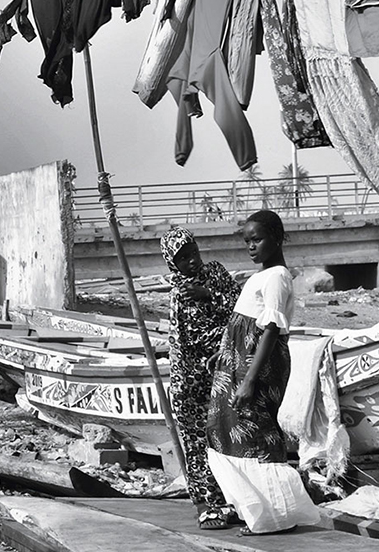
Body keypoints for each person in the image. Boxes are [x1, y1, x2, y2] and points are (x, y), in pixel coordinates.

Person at [206, 210, 319, 535]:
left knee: (255, 434)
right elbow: (246, 325)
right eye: (247, 241)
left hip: (258, 366)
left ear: (277, 238)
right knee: (225, 429)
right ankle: (257, 510)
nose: (251, 247)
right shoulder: (263, 275)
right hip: (240, 362)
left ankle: (276, 517)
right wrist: (225, 353)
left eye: (257, 239)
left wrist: (250, 380)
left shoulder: (278, 276)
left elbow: (270, 329)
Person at [160, 226, 240, 530]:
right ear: (172, 263)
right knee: (197, 444)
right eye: (183, 258)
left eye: (193, 253)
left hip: (222, 372)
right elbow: (191, 338)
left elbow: (242, 308)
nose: (192, 261)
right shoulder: (178, 291)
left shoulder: (216, 273)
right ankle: (207, 505)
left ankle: (235, 500)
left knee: (228, 436)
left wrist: (209, 295)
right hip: (190, 381)